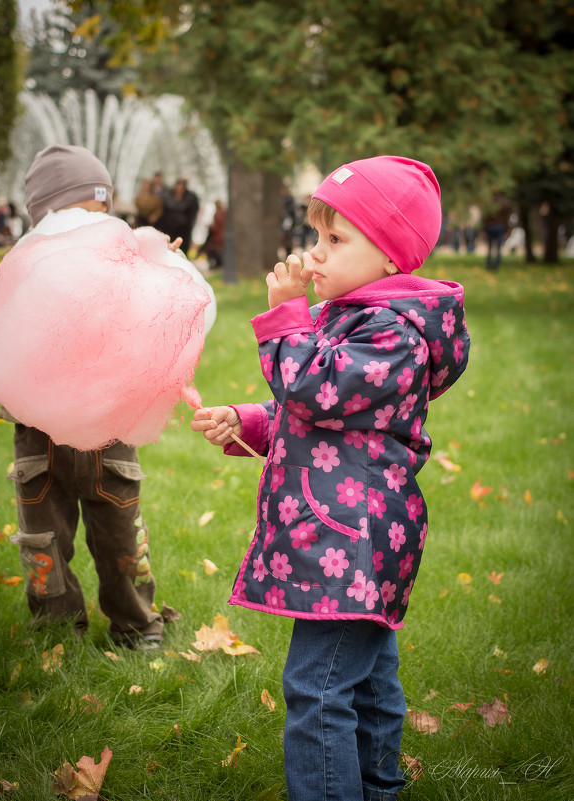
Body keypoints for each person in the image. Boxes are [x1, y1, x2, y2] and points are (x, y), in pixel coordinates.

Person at [191, 156, 470, 801]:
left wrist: (285, 317)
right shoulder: (354, 319)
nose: (315, 256)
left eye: (336, 241)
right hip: (348, 539)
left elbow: (316, 388)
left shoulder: (392, 333)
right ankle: (375, 788)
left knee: (316, 690)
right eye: (317, 237)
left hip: (356, 542)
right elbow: (322, 417)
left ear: (393, 257)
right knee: (368, 682)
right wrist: (248, 421)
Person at [0, 145, 192, 651]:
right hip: (38, 442)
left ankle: (136, 624)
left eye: (102, 217)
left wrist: (165, 273)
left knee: (121, 536)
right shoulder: (20, 276)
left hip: (109, 438)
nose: (94, 231)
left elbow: (153, 328)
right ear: (44, 223)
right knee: (42, 541)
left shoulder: (123, 269)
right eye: (79, 217)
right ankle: (56, 625)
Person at [157, 177, 200, 254]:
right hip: (168, 228)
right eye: (178, 185)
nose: (179, 188)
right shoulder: (167, 196)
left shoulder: (191, 198)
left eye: (182, 185)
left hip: (184, 230)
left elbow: (194, 211)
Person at [483, 194, 511, 270]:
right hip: (500, 227)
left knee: (490, 248)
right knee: (498, 249)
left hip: (490, 227)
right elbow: (507, 218)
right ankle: (496, 266)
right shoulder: (505, 202)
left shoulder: (490, 202)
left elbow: (485, 217)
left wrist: (484, 229)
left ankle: (489, 266)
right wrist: (507, 229)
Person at [197, 199, 226, 269]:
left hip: (217, 238)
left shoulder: (218, 214)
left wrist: (209, 227)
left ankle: (214, 263)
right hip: (221, 237)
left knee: (208, 247)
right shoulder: (225, 213)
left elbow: (215, 226)